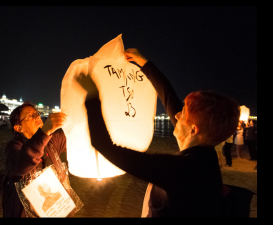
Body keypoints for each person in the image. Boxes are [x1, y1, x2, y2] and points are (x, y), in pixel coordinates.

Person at [82, 48, 240, 217]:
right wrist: (144, 63)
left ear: (194, 130)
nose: (177, 114)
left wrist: (91, 96)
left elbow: (104, 146)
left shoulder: (184, 171)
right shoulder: (205, 156)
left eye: (183, 113)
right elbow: (168, 97)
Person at [2, 101, 67, 217]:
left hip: (57, 210)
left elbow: (72, 136)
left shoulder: (52, 140)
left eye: (36, 113)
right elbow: (19, 165)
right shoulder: (14, 146)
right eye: (29, 116)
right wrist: (43, 133)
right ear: (18, 128)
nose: (37, 116)